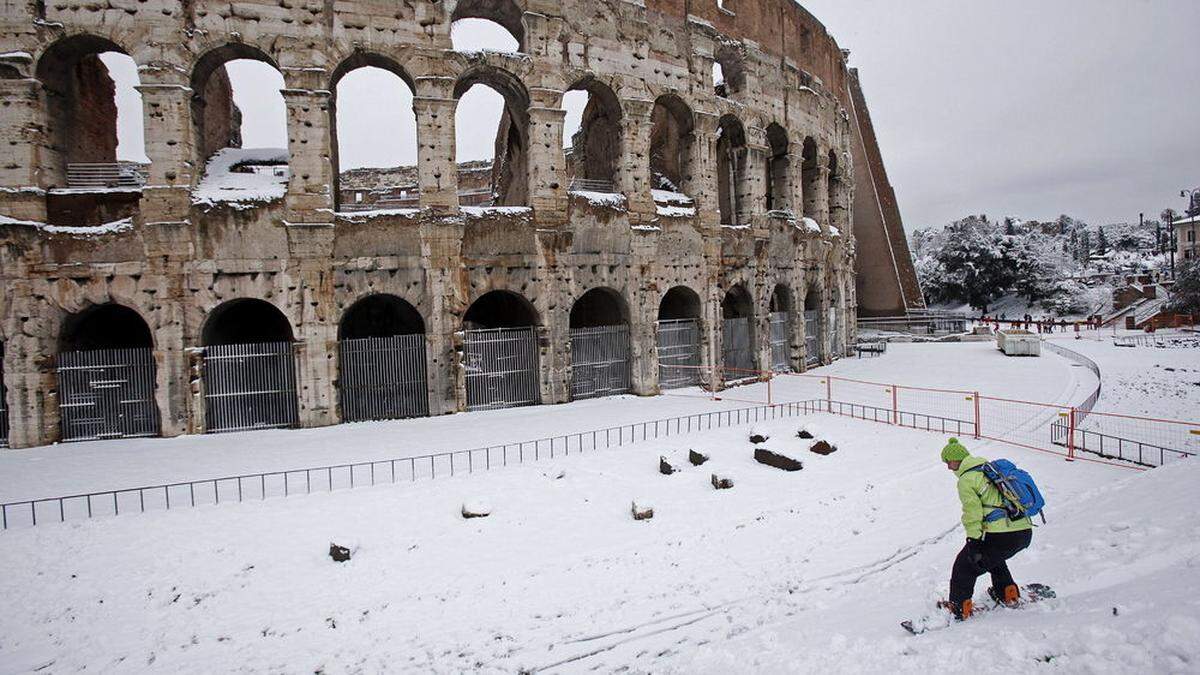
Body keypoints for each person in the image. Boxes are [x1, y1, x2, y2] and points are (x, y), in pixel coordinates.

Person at [939, 438, 1034, 620]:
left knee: (964, 567)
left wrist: (973, 540)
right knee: (992, 557)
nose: (948, 467)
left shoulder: (967, 479)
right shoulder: (988, 470)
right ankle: (1007, 592)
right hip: (1023, 531)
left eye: (948, 462)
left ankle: (958, 608)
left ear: (957, 459)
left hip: (1002, 535)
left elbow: (972, 513)